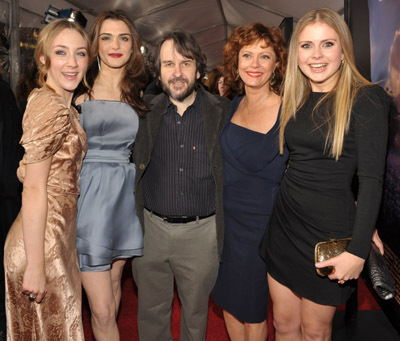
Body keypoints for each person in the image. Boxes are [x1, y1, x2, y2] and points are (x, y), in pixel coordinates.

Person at [259, 8, 392, 340]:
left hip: (328, 236)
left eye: (327, 44)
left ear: (343, 49)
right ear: (296, 54)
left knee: (315, 333)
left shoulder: (367, 99)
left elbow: (373, 180)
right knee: (283, 326)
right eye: (306, 46)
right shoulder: (296, 96)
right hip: (284, 227)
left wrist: (359, 249)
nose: (316, 55)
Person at [132, 29, 230, 340]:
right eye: (168, 64)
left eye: (185, 63)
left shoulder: (224, 112)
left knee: (196, 315)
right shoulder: (143, 112)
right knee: (150, 314)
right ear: (158, 73)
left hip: (202, 235)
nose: (177, 73)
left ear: (199, 70)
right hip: (151, 232)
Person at [4, 19, 88, 339]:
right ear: (43, 59)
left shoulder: (59, 104)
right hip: (40, 244)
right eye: (61, 52)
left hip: (54, 237)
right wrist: (36, 266)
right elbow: (35, 187)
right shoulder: (50, 106)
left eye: (80, 54)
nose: (72, 62)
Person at [211, 23, 288, 340]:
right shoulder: (231, 105)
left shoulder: (290, 111)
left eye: (264, 56)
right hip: (226, 225)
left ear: (276, 64)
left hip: (263, 229)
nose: (254, 64)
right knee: (229, 301)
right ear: (236, 61)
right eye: (247, 55)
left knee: (253, 308)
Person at [74, 10, 147, 341]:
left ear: (133, 46)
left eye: (123, 38)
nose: (115, 45)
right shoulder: (77, 90)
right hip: (89, 199)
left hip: (124, 197)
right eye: (106, 37)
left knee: (116, 284)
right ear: (95, 44)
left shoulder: (140, 94)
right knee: (101, 309)